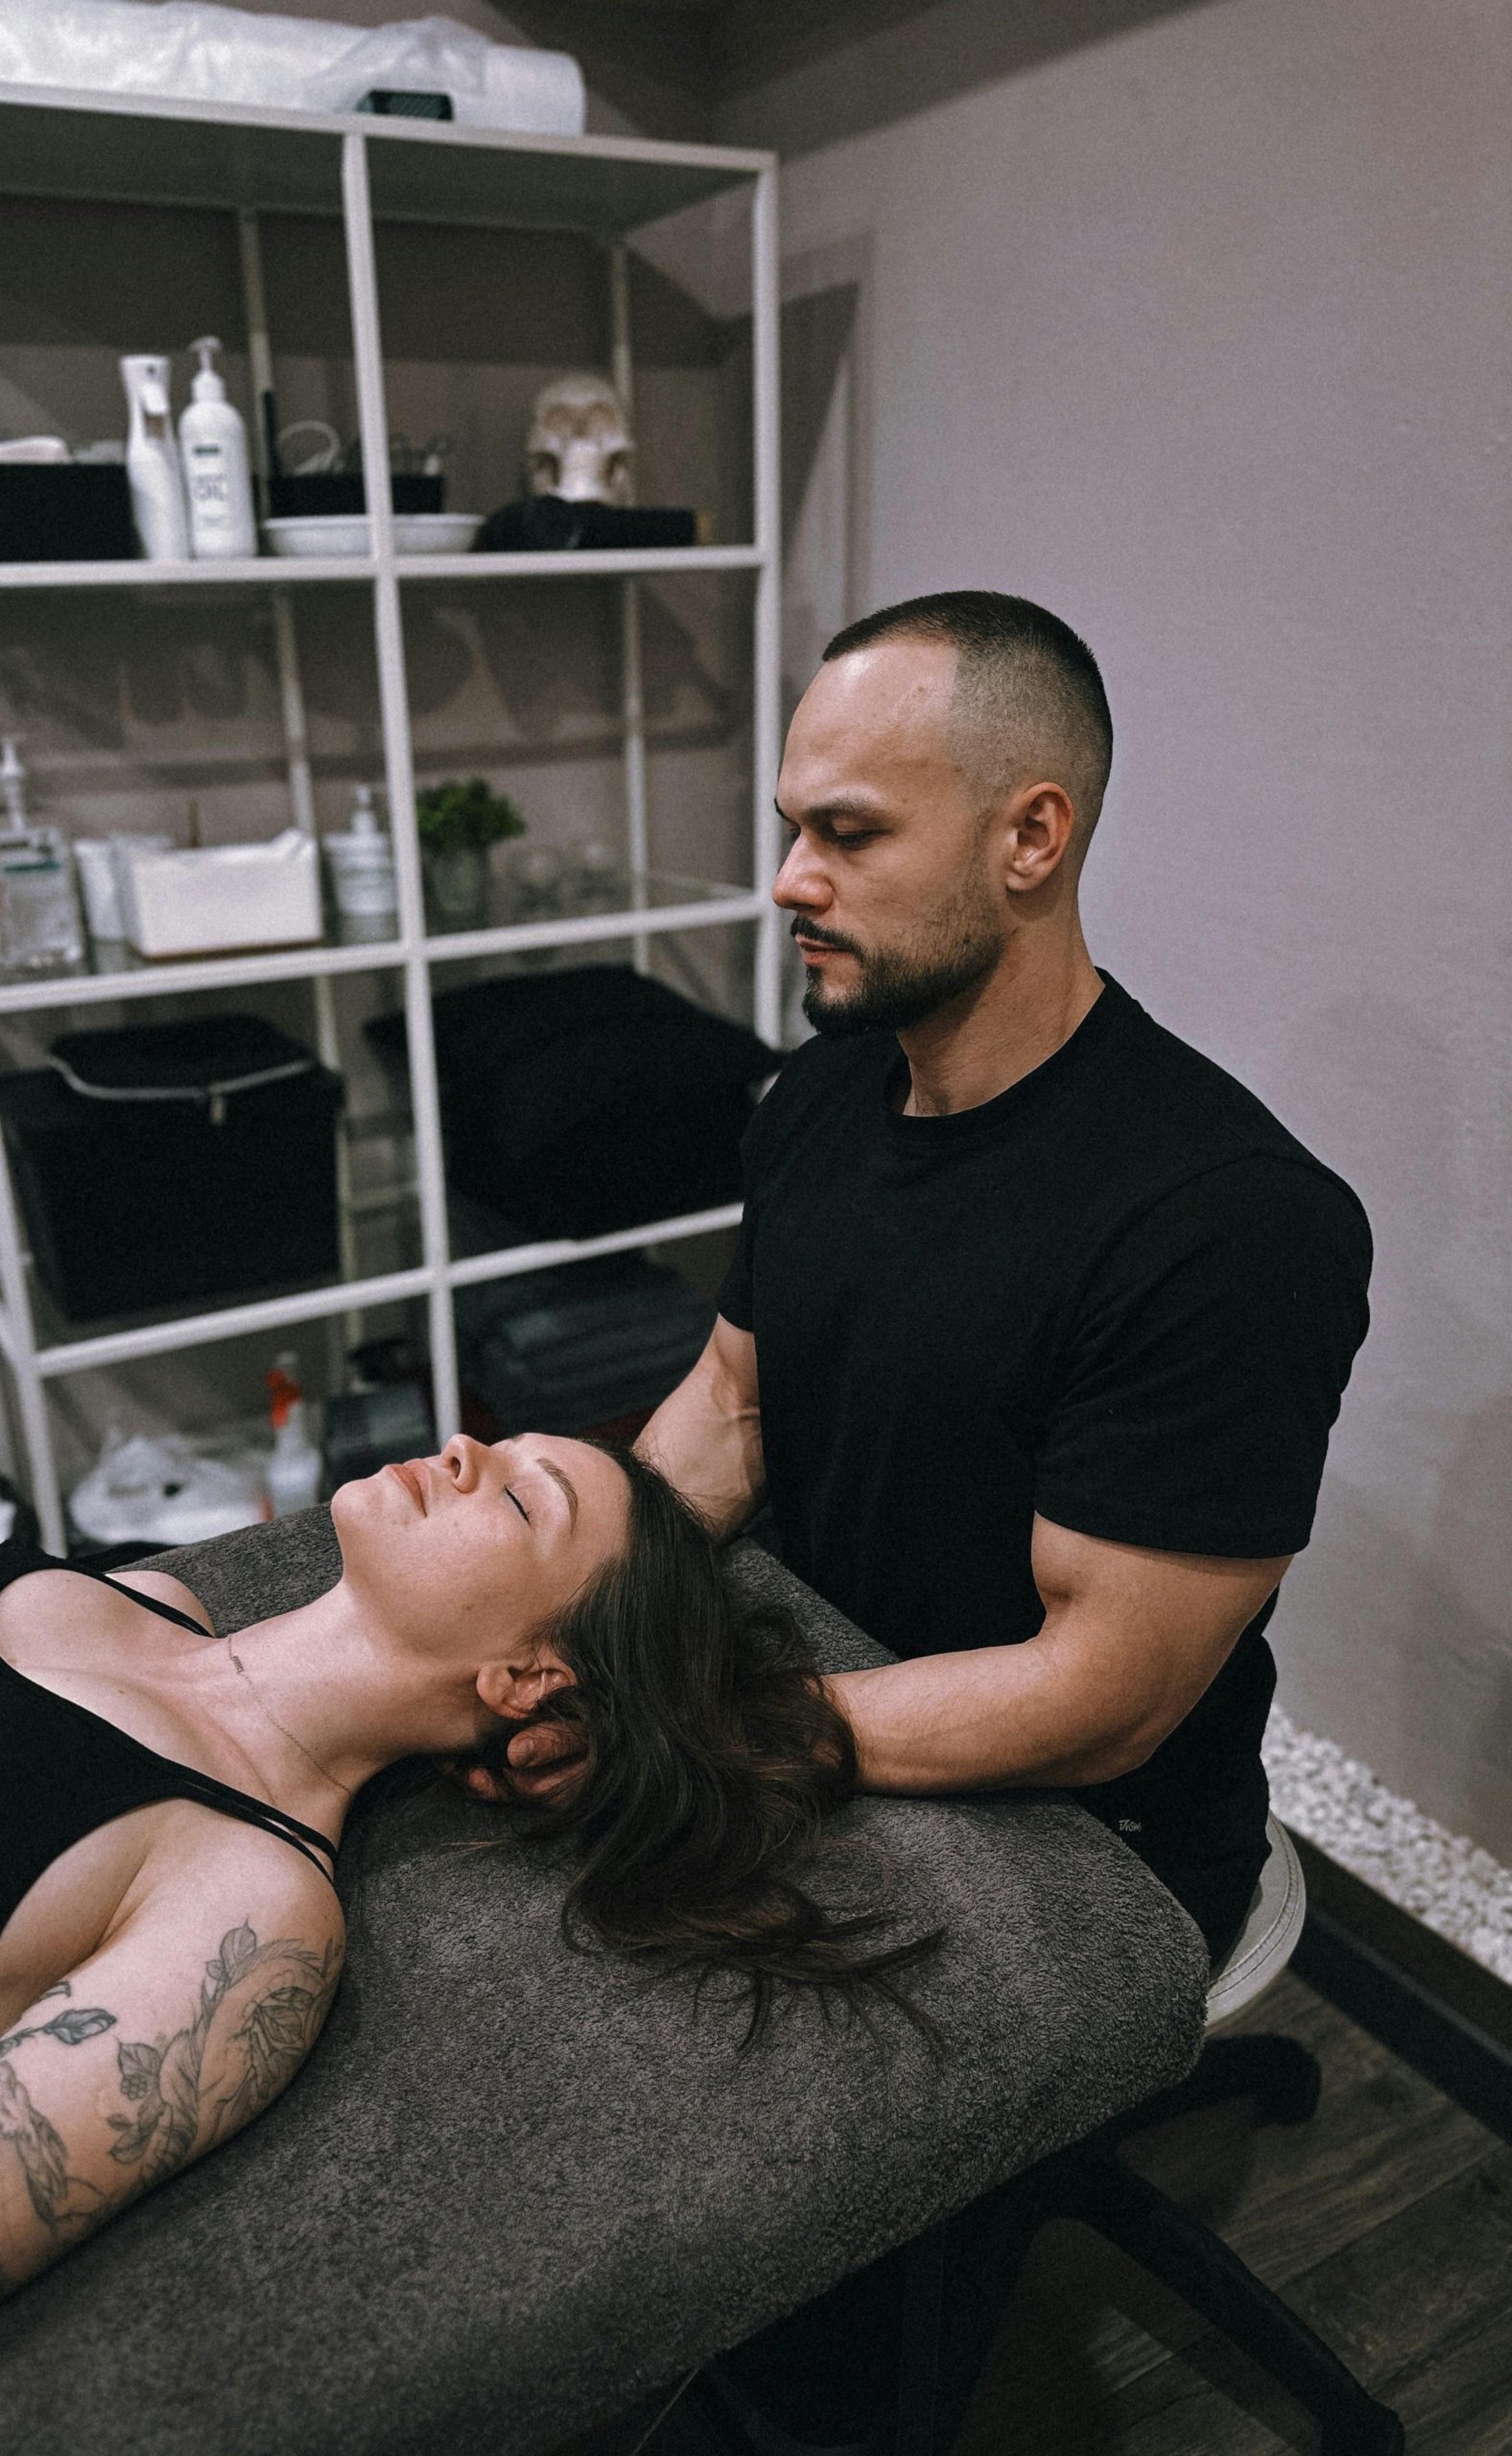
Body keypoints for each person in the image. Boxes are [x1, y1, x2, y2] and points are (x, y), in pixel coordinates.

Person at [495, 589, 1372, 2450]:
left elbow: (1108, 1694)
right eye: (790, 830)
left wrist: (714, 1732)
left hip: (1101, 1824)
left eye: (849, 833)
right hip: (829, 1683)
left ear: (1031, 834)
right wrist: (575, 1595)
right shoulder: (821, 1090)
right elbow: (732, 1402)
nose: (792, 881)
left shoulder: (1224, 1220)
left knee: (769, 2218)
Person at [0, 1436, 933, 2433]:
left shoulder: (253, 1912)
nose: (459, 1449)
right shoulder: (143, 1592)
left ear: (529, 1680)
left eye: (517, 1500)